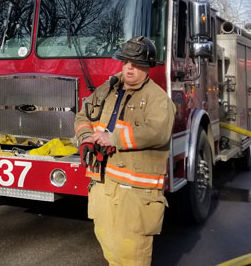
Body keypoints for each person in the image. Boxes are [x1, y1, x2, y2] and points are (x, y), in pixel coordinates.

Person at [74, 36, 176, 266]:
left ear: (148, 66)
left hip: (135, 195)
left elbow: (158, 132)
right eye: (126, 62)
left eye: (137, 63)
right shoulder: (108, 89)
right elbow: (83, 115)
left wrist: (114, 138)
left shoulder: (158, 100)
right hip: (103, 185)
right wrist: (84, 137)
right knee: (108, 245)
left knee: (132, 255)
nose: (129, 68)